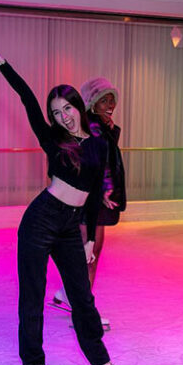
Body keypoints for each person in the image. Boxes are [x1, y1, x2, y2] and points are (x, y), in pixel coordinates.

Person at [0, 48, 125, 365]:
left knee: (82, 297)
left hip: (70, 227)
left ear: (78, 107)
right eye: (56, 112)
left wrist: (88, 239)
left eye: (67, 108)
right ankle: (33, 364)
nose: (63, 116)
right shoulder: (53, 138)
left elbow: (96, 193)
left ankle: (99, 360)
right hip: (40, 221)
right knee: (33, 294)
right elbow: (26, 99)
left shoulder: (99, 143)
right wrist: (2, 64)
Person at [52, 78, 126, 332]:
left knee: (88, 253)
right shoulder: (93, 126)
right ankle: (83, 312)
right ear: (92, 103)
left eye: (112, 98)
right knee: (90, 254)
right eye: (104, 99)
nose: (111, 104)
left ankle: (66, 293)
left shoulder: (99, 125)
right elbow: (99, 162)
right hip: (94, 198)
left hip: (94, 197)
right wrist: (105, 188)